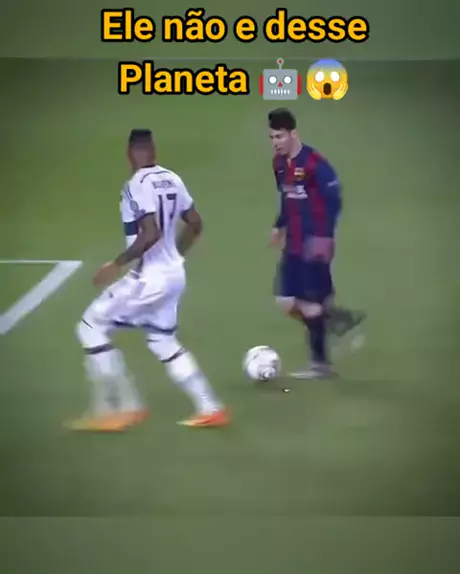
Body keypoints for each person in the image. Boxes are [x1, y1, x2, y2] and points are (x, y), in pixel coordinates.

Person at [69, 129, 229, 431]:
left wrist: (116, 264)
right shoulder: (173, 178)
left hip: (149, 279)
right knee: (162, 340)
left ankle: (117, 409)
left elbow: (150, 233)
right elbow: (195, 223)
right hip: (174, 275)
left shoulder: (136, 185)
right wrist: (175, 254)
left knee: (90, 326)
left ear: (130, 153)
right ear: (153, 150)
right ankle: (211, 407)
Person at [268, 108, 363, 378]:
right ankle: (336, 320)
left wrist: (324, 237)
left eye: (279, 136)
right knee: (286, 301)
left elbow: (334, 201)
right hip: (294, 243)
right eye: (272, 137)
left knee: (309, 303)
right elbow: (287, 197)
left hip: (315, 243)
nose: (275, 142)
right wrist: (279, 224)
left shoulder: (315, 164)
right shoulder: (279, 164)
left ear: (293, 133)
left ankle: (320, 364)